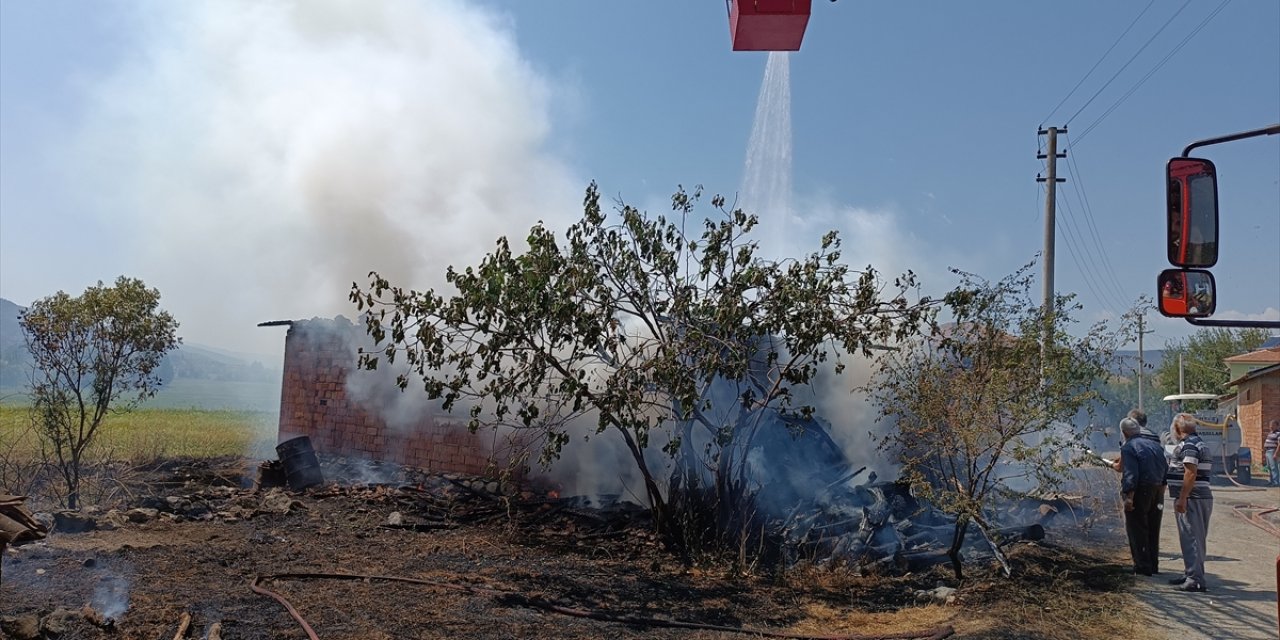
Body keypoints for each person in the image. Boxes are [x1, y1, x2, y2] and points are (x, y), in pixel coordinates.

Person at [1166, 413, 1213, 592]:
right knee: (1191, 537)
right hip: (1196, 497)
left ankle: (1195, 579)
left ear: (1178, 429)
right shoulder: (1197, 442)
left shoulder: (1190, 446)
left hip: (1193, 498)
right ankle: (1191, 573)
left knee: (1192, 537)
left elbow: (1190, 473)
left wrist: (1183, 497)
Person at [1118, 416, 1167, 576]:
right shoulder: (1155, 445)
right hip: (1157, 490)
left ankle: (1142, 566)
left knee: (1137, 528)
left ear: (1124, 433)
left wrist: (1129, 497)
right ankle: (1153, 565)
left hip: (1140, 490)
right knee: (1154, 528)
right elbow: (1165, 468)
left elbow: (1131, 474)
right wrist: (1161, 490)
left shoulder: (1128, 447)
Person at [1264, 419, 1280, 487]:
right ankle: (1271, 481)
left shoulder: (1278, 433)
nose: (1271, 427)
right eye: (1270, 425)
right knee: (1269, 467)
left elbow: (1279, 444)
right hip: (1267, 451)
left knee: (1274, 467)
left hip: (1272, 451)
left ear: (1277, 426)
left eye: (1272, 425)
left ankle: (1276, 482)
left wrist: (1276, 453)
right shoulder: (1270, 433)